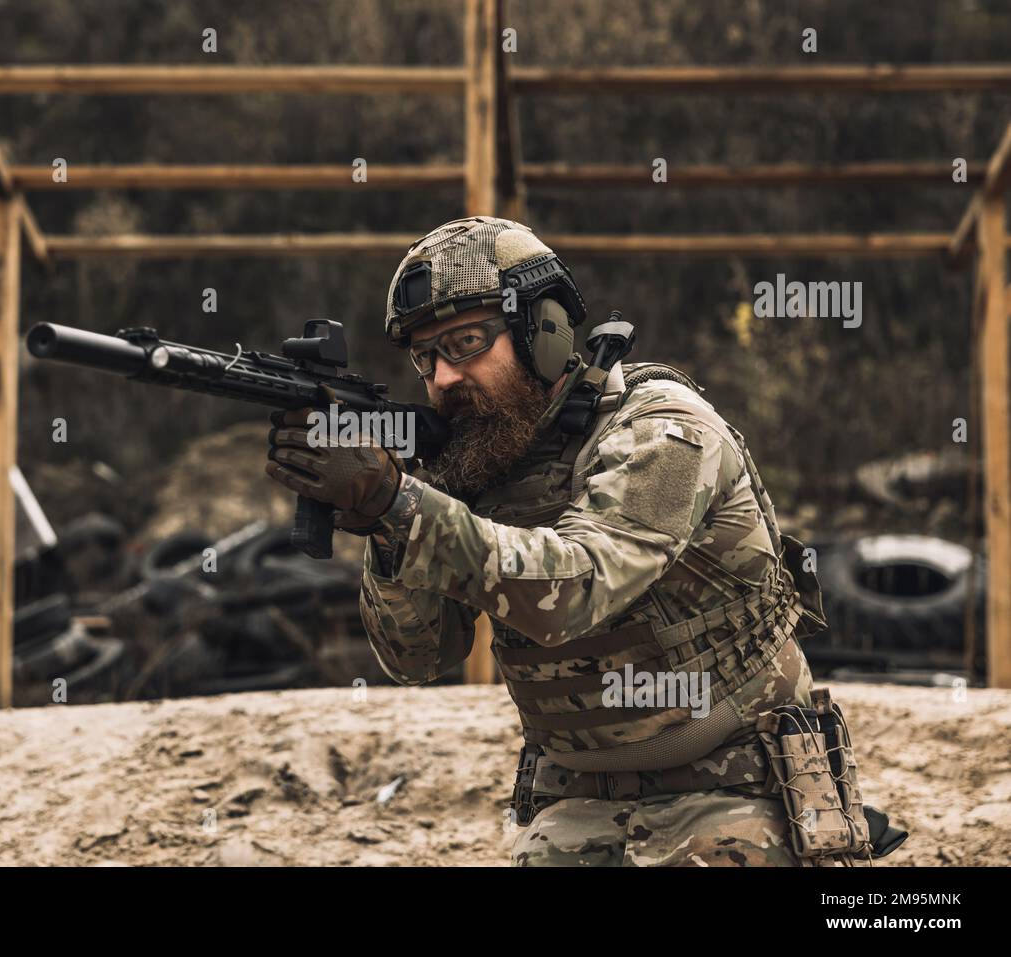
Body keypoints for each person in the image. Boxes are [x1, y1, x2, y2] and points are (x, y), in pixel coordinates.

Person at [264, 215, 837, 866]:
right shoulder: (479, 457)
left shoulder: (664, 430)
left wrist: (400, 502)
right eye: (426, 357)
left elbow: (573, 589)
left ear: (545, 331)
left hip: (735, 787)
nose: (444, 378)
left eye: (466, 342)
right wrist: (384, 523)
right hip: (573, 804)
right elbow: (418, 657)